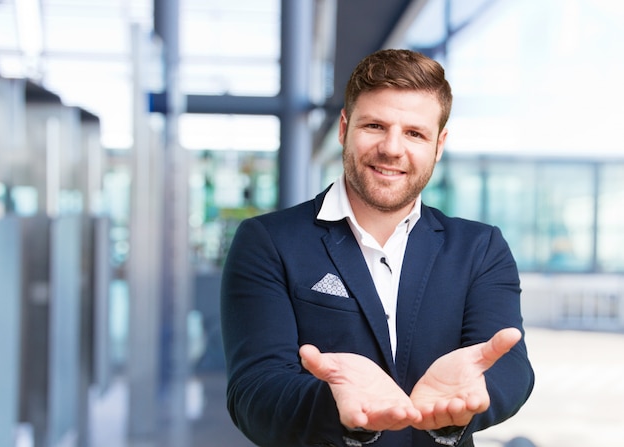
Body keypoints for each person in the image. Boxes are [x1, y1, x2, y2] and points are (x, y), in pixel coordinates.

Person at [220, 49, 534, 447]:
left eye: (414, 133)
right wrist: (336, 405)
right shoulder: (268, 242)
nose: (392, 148)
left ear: (438, 145)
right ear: (344, 128)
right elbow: (253, 391)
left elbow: (510, 369)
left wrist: (464, 402)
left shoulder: (480, 248)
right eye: (375, 126)